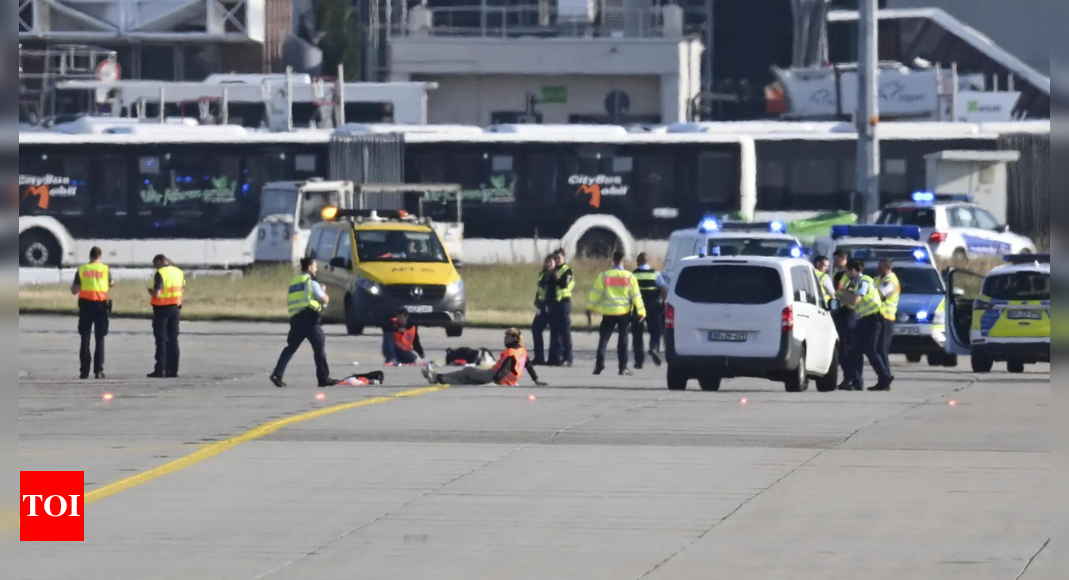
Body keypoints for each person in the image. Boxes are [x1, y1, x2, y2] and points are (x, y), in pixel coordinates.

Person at [270, 257, 338, 388]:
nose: (316, 269)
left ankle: (277, 374)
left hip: (296, 319)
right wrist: (323, 291)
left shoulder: (295, 282)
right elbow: (325, 300)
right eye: (315, 266)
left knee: (290, 348)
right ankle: (323, 378)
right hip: (310, 319)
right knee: (319, 349)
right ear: (310, 267)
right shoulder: (311, 283)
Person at [587, 250, 646, 376]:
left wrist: (590, 308)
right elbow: (636, 296)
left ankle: (599, 363)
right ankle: (622, 367)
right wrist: (641, 312)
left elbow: (596, 293)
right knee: (623, 341)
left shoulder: (604, 275)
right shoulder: (629, 277)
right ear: (623, 260)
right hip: (624, 313)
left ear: (613, 260)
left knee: (603, 339)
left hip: (608, 312)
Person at [422, 329, 547, 387]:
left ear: (514, 338)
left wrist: (495, 382)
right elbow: (529, 366)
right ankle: (437, 378)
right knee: (466, 381)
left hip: (494, 376)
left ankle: (437, 377)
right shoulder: (522, 351)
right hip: (507, 380)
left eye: (507, 336)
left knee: (468, 371)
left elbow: (504, 369)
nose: (505, 339)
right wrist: (536, 380)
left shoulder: (511, 352)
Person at [839, 260, 894, 392]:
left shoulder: (864, 281)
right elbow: (852, 304)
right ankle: (857, 382)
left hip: (874, 319)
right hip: (864, 319)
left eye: (847, 271)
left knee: (872, 350)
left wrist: (842, 296)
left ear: (853, 270)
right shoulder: (857, 283)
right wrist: (844, 298)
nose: (846, 274)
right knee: (855, 350)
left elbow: (855, 300)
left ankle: (885, 377)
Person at [70, 247, 114, 380]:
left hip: (86, 306)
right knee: (100, 339)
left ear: (90, 256)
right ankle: (98, 371)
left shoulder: (82, 269)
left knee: (85, 338)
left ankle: (84, 372)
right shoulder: (105, 269)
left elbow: (74, 290)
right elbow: (111, 283)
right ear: (100, 256)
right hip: (101, 307)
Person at [147, 255, 185, 379]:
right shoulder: (179, 272)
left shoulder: (161, 273)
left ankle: (160, 368)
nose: (155, 267)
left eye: (155, 264)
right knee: (173, 339)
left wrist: (151, 292)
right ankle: (173, 370)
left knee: (161, 339)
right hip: (175, 308)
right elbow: (182, 289)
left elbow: (157, 293)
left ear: (159, 262)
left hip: (162, 309)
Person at [631, 253, 668, 369]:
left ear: (638, 261)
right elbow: (663, 288)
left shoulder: (633, 275)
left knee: (637, 334)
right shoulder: (655, 274)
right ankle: (653, 347)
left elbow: (629, 291)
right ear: (647, 261)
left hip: (638, 308)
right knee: (655, 331)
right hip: (653, 307)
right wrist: (662, 301)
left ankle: (638, 361)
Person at [876, 258, 901, 382]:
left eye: (880, 267)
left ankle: (886, 377)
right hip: (879, 318)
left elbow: (878, 295)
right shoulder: (880, 279)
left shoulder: (890, 281)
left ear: (887, 268)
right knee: (878, 349)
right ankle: (884, 377)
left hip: (887, 318)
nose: (877, 269)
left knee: (881, 349)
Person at [549, 249, 575, 366]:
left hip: (564, 303)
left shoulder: (567, 270)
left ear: (564, 258)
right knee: (555, 332)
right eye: (555, 258)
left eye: (559, 258)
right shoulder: (552, 270)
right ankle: (555, 357)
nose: (557, 260)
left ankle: (567, 357)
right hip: (554, 304)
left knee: (565, 332)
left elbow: (564, 284)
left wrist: (556, 277)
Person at [531, 255, 557, 365]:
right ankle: (539, 356)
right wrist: (537, 300)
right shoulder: (542, 274)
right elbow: (540, 289)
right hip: (542, 306)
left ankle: (553, 358)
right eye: (547, 262)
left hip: (552, 306)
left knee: (554, 332)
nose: (548, 264)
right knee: (536, 329)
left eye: (551, 262)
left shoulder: (555, 275)